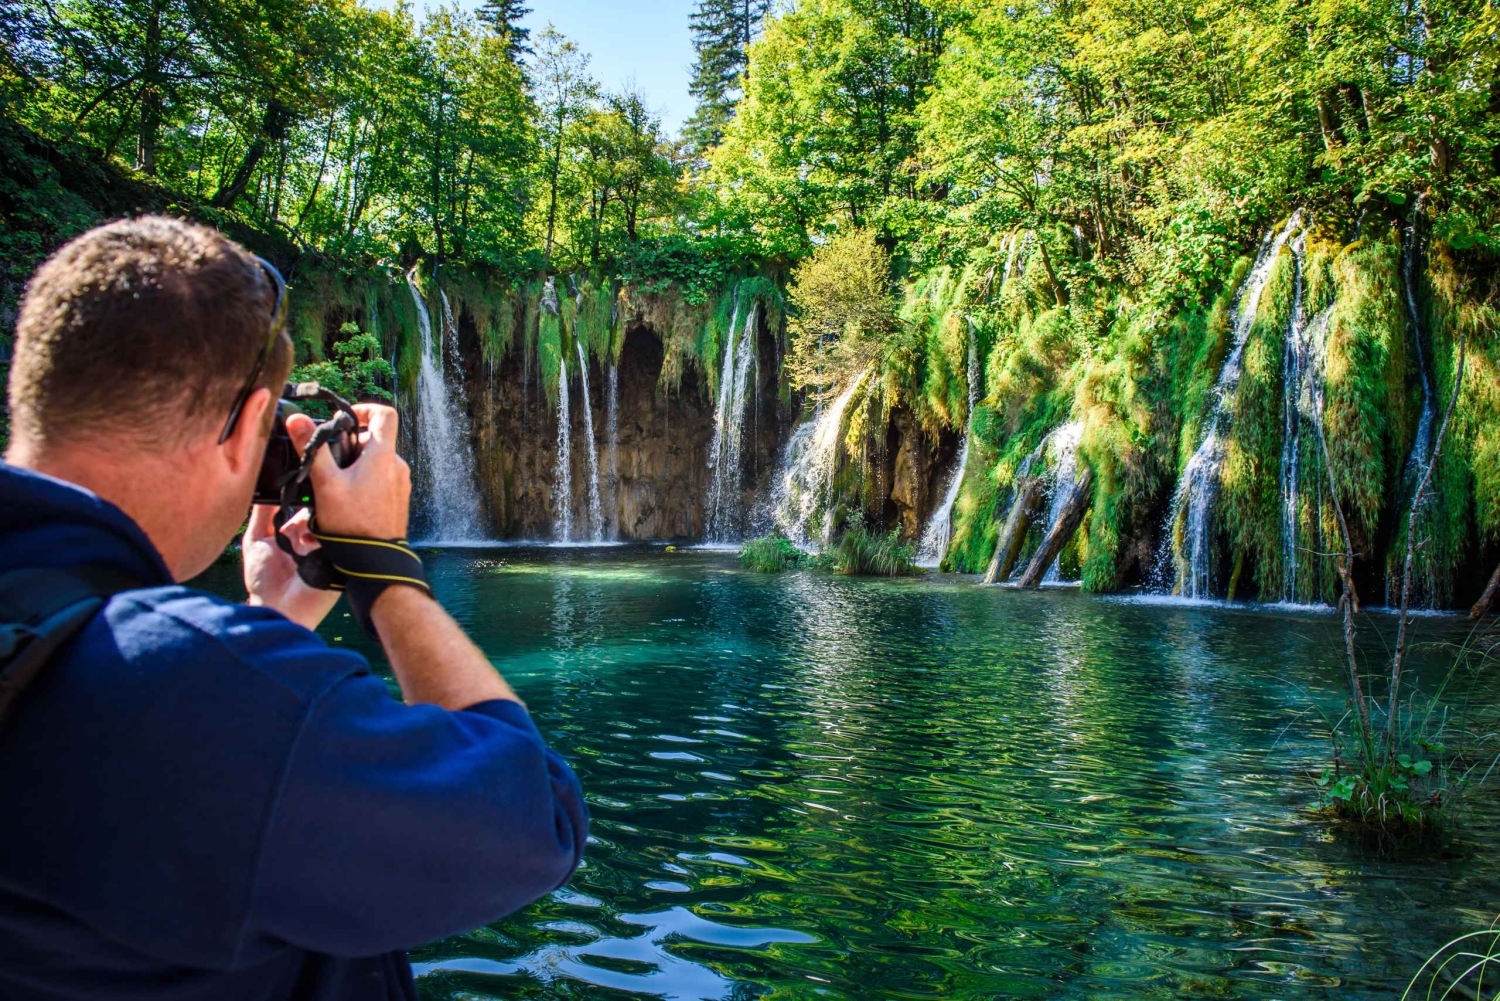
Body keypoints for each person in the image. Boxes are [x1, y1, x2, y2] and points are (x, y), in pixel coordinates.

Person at [0, 217, 588, 1000]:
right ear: (250, 428)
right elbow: (537, 820)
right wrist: (381, 561)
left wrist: (268, 623)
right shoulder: (197, 687)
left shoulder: (72, 639)